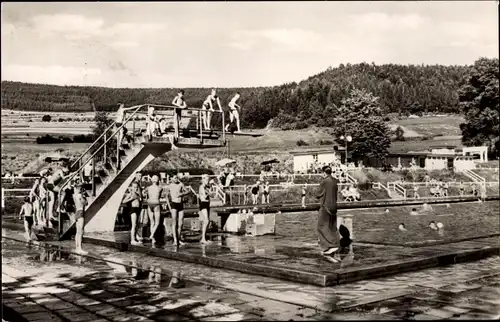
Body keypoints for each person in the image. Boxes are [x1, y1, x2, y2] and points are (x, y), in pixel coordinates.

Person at [316, 166, 340, 263]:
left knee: (321, 227)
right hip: (334, 207)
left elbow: (318, 194)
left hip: (326, 207)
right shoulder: (335, 181)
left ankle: (328, 248)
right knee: (332, 227)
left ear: (324, 173)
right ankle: (335, 245)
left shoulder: (325, 181)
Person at [167, 174, 191, 246]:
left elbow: (188, 191)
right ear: (171, 179)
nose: (176, 179)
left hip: (180, 204)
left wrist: (181, 194)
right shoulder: (170, 186)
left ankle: (178, 238)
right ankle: (175, 240)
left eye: (177, 178)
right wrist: (169, 207)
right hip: (174, 204)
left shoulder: (180, 184)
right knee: (174, 222)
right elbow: (166, 197)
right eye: (174, 178)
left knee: (180, 223)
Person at [146, 175, 164, 246]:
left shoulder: (148, 188)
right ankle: (151, 235)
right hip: (156, 203)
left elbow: (146, 196)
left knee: (152, 222)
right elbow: (160, 195)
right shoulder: (159, 188)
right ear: (157, 180)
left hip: (149, 203)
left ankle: (153, 239)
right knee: (157, 222)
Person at [73, 182, 88, 254]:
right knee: (81, 231)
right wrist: (84, 196)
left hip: (76, 212)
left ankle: (77, 247)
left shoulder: (75, 195)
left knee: (77, 232)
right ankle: (80, 249)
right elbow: (85, 203)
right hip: (80, 212)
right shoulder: (80, 195)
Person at [198, 174, 214, 244]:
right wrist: (208, 192)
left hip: (207, 204)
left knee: (207, 221)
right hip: (203, 204)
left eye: (208, 180)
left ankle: (204, 237)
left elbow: (212, 196)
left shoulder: (207, 187)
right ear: (203, 180)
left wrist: (210, 188)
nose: (207, 181)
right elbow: (204, 196)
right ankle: (203, 238)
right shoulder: (201, 187)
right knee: (206, 220)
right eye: (206, 180)